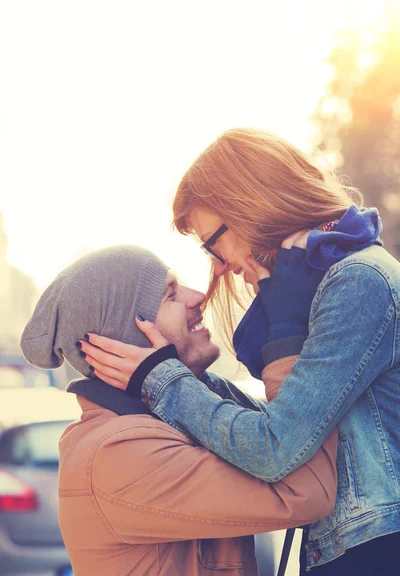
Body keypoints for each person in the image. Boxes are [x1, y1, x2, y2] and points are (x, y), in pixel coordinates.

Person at [81, 129, 400, 576]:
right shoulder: (326, 281)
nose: (218, 267)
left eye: (212, 244)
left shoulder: (355, 281)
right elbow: (297, 424)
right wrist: (188, 378)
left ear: (251, 206)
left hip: (376, 553)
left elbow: (275, 447)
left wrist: (166, 380)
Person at [20, 245, 337, 576]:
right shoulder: (118, 452)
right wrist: (286, 332)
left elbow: (276, 437)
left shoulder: (168, 421)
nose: (198, 295)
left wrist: (170, 378)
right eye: (170, 295)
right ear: (127, 338)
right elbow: (307, 487)